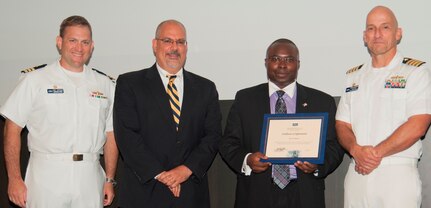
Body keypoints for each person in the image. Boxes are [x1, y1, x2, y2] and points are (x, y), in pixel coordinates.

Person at [0, 15, 118, 208]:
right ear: (59, 42)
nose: (79, 48)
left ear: (92, 46)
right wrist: (14, 179)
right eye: (73, 40)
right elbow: (11, 129)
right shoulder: (35, 80)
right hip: (46, 175)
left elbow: (111, 133)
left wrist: (110, 179)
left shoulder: (105, 84)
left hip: (89, 176)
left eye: (85, 42)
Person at [219, 38, 345, 208]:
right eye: (275, 59)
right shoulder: (245, 99)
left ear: (298, 64)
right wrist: (248, 160)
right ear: (266, 63)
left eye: (289, 59)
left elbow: (334, 146)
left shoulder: (321, 101)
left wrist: (317, 165)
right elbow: (228, 143)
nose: (282, 65)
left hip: (304, 194)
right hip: (256, 194)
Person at [113, 19, 222, 208]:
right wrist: (162, 175)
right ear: (155, 45)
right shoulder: (130, 84)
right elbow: (127, 136)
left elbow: (212, 136)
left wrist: (185, 170)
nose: (174, 47)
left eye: (180, 42)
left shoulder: (205, 88)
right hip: (144, 192)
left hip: (190, 193)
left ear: (186, 47)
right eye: (168, 41)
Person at [336, 6, 431, 208]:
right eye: (371, 28)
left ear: (398, 33)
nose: (377, 34)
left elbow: (418, 124)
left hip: (396, 173)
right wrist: (355, 149)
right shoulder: (353, 76)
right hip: (357, 171)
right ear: (364, 36)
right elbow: (342, 124)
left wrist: (375, 154)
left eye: (385, 27)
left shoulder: (415, 72)